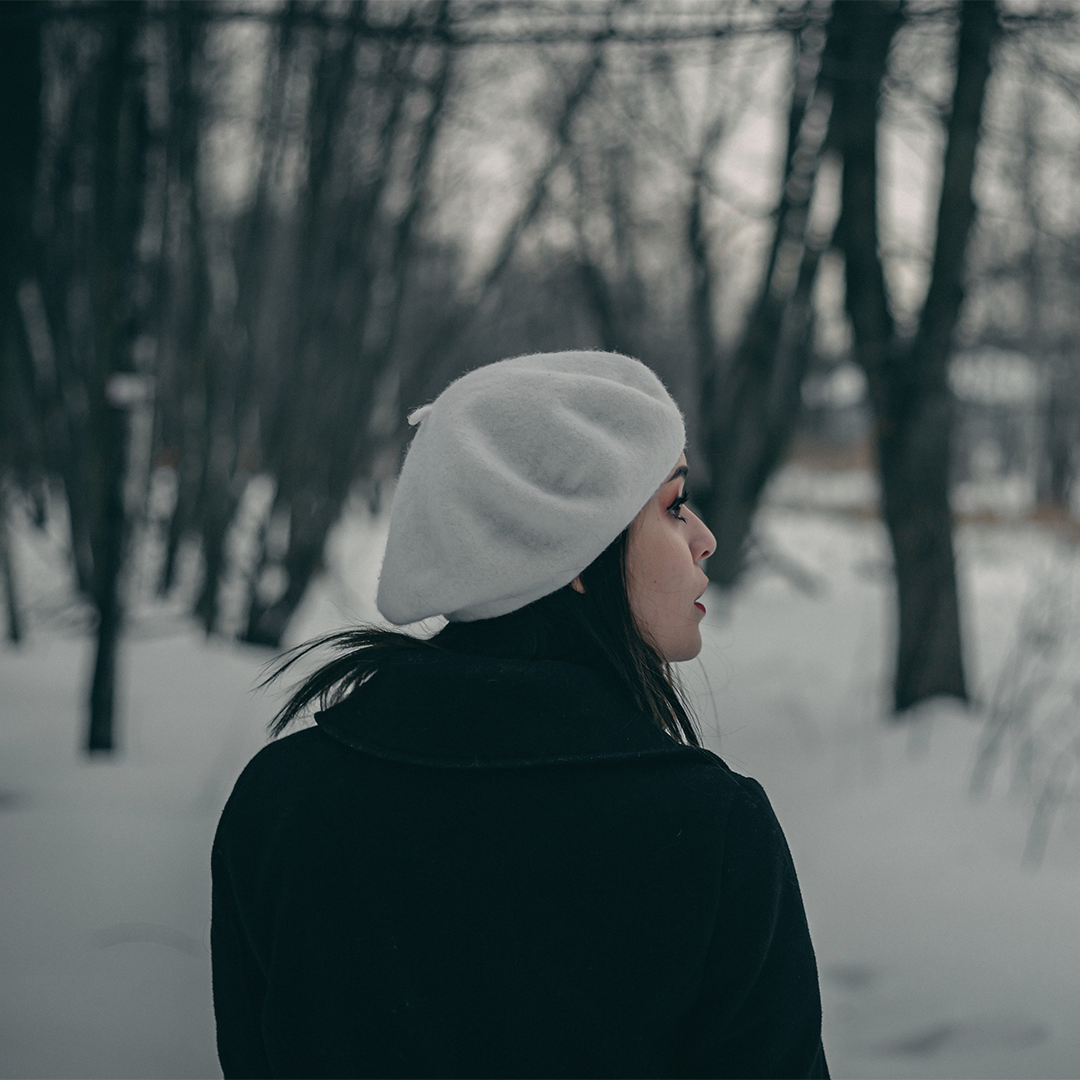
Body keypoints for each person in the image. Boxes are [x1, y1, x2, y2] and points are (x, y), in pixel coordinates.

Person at [211, 351, 828, 1079]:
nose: (704, 537)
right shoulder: (710, 833)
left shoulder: (281, 801)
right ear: (565, 541)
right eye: (671, 505)